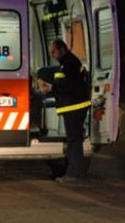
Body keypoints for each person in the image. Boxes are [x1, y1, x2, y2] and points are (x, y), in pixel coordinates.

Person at [38, 39, 91, 182]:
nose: (53, 55)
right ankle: (70, 170)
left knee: (74, 141)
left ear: (61, 49)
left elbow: (68, 86)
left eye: (53, 52)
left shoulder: (69, 63)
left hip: (75, 107)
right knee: (72, 140)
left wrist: (50, 89)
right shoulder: (67, 63)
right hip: (73, 107)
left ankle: (74, 174)